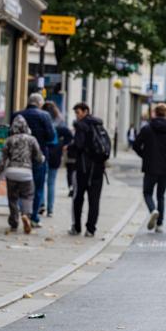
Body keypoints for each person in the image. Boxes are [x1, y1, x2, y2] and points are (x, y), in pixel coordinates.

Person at [132, 103, 166, 233]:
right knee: (161, 195)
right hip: (165, 168)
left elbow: (136, 145)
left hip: (150, 166)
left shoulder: (147, 128)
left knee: (147, 193)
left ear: (154, 113)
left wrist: (144, 155)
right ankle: (159, 224)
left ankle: (152, 210)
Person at [0, 115, 45, 234]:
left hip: (11, 172)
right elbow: (38, 157)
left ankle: (14, 222)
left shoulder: (9, 140)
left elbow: (2, 160)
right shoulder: (32, 139)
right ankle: (25, 215)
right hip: (26, 172)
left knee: (12, 198)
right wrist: (42, 158)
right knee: (27, 196)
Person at [12, 93, 56, 228]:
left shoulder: (17, 115)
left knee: (19, 187)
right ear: (39, 103)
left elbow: (11, 134)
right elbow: (51, 136)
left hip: (19, 157)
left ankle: (23, 211)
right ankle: (34, 217)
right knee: (37, 188)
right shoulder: (45, 116)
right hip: (39, 156)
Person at [68, 102, 108, 237]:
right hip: (98, 168)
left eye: (78, 112)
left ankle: (77, 227)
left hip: (83, 168)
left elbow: (78, 146)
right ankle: (91, 229)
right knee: (94, 200)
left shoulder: (81, 126)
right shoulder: (99, 124)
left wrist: (70, 147)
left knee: (78, 198)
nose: (77, 116)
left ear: (85, 111)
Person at [42, 101, 73, 217]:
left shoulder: (42, 120)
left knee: (41, 181)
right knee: (51, 182)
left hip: (42, 152)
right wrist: (63, 145)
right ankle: (50, 209)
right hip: (55, 154)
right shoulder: (60, 124)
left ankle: (41, 204)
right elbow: (69, 136)